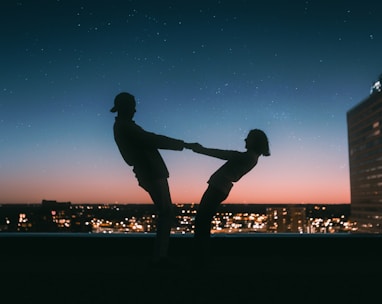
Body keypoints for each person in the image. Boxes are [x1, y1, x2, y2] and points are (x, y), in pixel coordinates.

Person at [110, 92, 192, 268]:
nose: (135, 110)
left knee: (166, 212)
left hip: (150, 172)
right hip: (151, 172)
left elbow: (150, 139)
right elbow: (152, 139)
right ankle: (159, 258)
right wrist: (182, 144)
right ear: (125, 107)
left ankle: (160, 256)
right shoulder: (126, 127)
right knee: (166, 213)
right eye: (132, 106)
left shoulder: (124, 126)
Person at [188, 129, 270, 264]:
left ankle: (200, 258)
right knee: (203, 221)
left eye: (248, 138)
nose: (245, 140)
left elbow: (223, 154)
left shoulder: (248, 157)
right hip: (220, 188)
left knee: (202, 222)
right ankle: (201, 257)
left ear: (255, 141)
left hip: (217, 188)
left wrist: (201, 150)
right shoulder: (252, 158)